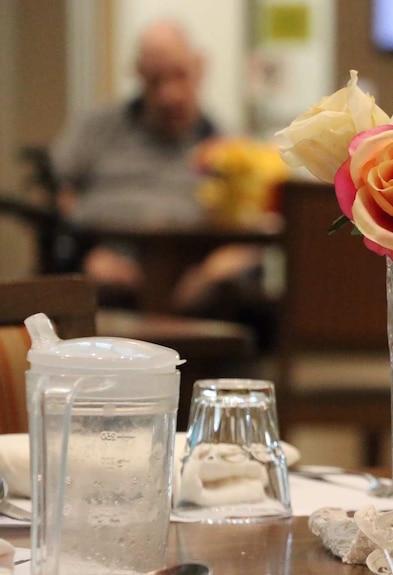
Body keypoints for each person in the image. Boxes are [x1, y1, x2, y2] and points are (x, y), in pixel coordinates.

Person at [51, 20, 272, 344]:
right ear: (139, 75)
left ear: (199, 68)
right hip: (107, 282)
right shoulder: (97, 129)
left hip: (195, 290)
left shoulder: (227, 148)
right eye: (155, 80)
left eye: (178, 75)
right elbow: (57, 193)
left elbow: (253, 222)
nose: (169, 94)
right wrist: (84, 256)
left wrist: (214, 270)